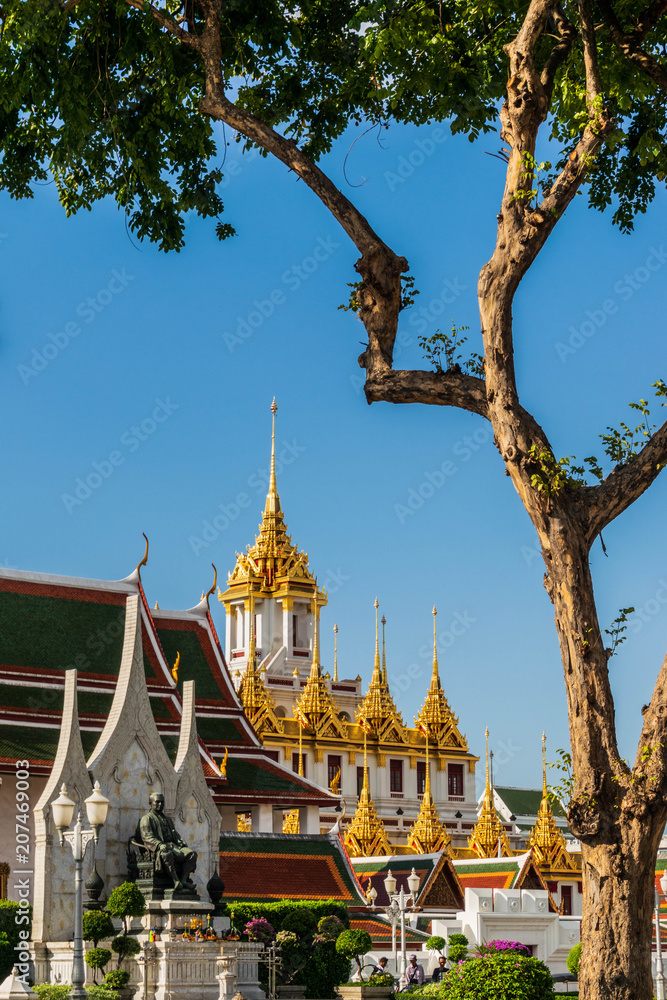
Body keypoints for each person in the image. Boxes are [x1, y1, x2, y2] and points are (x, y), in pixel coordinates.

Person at [137, 792, 197, 890]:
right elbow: (147, 837)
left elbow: (174, 834)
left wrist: (180, 842)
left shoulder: (168, 819)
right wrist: (159, 844)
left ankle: (184, 880)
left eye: (162, 802)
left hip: (173, 846)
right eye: (157, 802)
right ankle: (176, 880)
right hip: (159, 848)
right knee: (166, 853)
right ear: (150, 803)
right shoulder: (146, 819)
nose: (160, 804)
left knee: (191, 854)